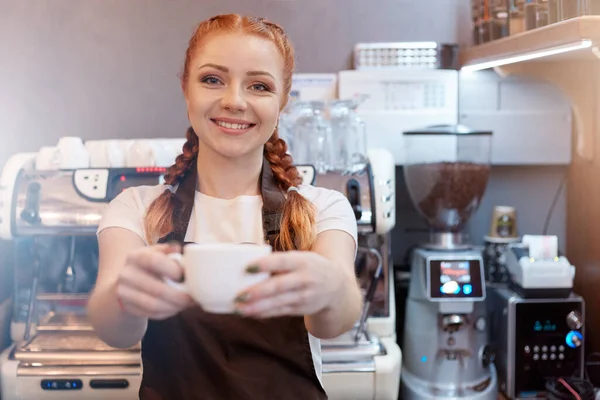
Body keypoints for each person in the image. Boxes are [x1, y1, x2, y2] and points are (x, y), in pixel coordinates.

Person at [87, 13, 362, 400]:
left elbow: (334, 321)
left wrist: (332, 288)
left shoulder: (322, 208)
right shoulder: (136, 208)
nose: (234, 101)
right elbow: (115, 330)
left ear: (282, 100)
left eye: (259, 86)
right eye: (212, 79)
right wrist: (124, 297)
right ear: (186, 89)